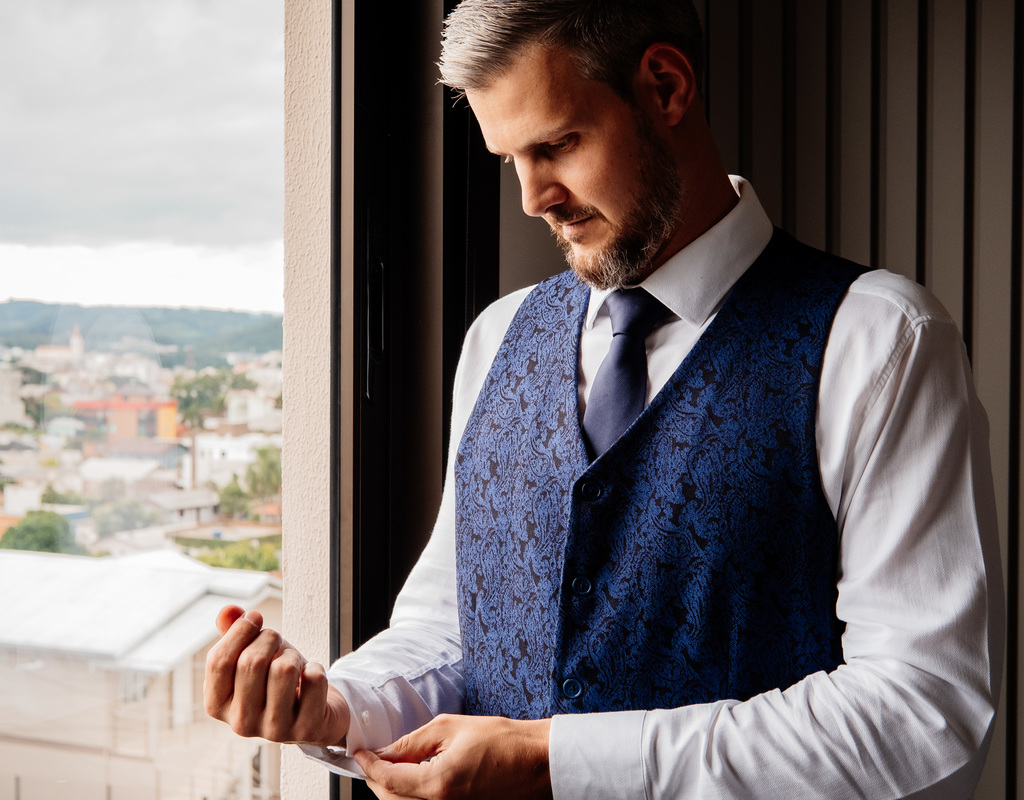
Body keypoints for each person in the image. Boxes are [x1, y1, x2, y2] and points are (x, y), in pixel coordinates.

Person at [204, 1, 1004, 797]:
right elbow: (455, 627)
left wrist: (558, 760)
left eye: (557, 145)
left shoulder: (881, 342)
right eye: (510, 157)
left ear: (665, 86)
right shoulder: (497, 339)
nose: (533, 197)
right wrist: (339, 707)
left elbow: (920, 710)